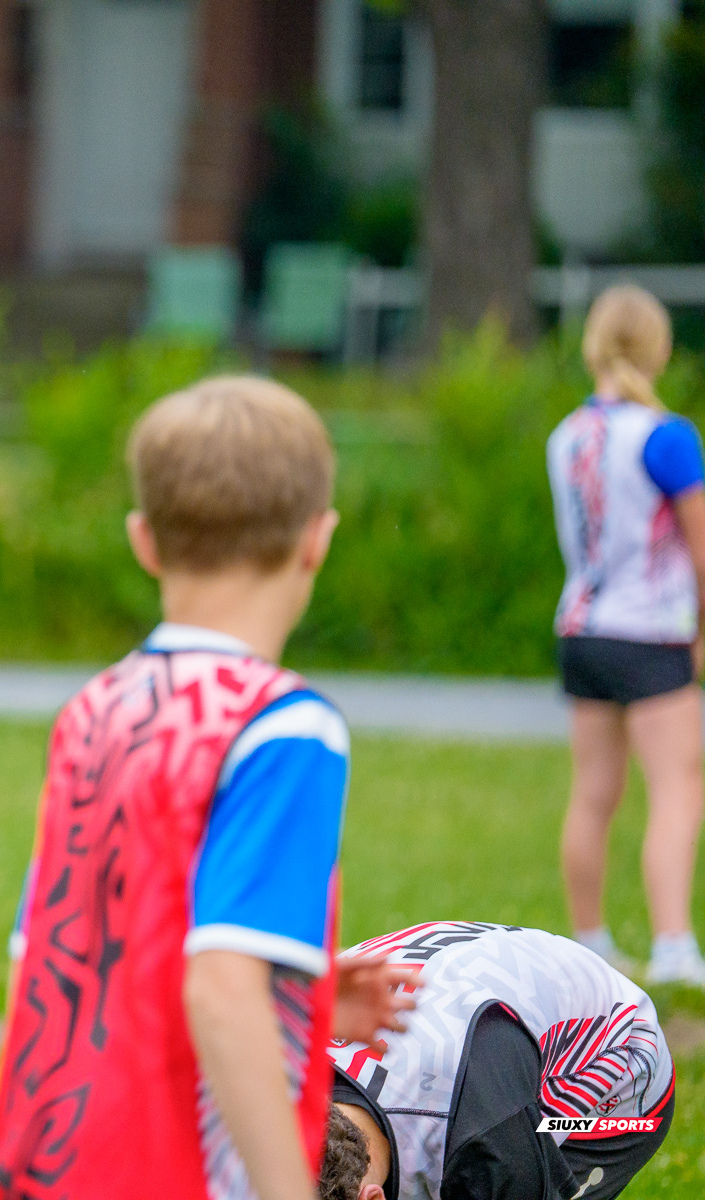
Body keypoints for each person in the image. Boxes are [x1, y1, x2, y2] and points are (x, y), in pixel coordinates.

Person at [0, 377, 355, 1200]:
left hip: (48, 1169)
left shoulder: (91, 711)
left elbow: (41, 969)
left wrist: (313, 990)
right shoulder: (287, 729)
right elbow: (222, 988)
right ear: (316, 540)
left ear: (143, 541)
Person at [547, 284, 705, 986]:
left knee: (593, 792)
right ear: (658, 348)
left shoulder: (566, 434)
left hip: (583, 626)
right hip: (650, 631)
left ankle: (590, 939)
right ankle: (673, 946)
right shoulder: (667, 437)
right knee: (678, 784)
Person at [321, 921, 675, 1200]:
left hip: (619, 1069)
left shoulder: (490, 1145)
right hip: (488, 1020)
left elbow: (499, 1151)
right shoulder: (281, 1069)